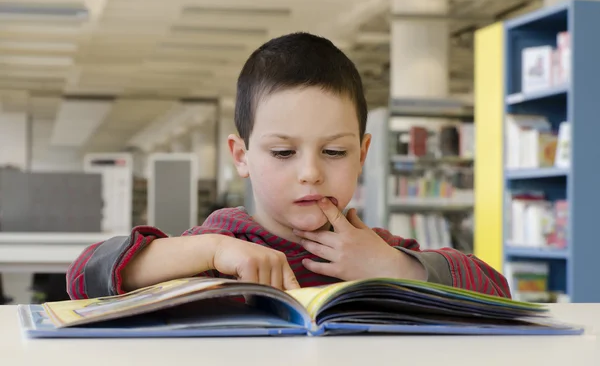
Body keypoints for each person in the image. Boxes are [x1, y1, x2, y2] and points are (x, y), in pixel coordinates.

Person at [66, 32, 511, 300]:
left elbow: (497, 292)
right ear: (241, 156)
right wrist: (213, 252)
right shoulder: (219, 244)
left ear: (363, 153)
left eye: (334, 152)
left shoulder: (375, 249)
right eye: (283, 153)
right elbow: (84, 278)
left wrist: (397, 267)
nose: (311, 173)